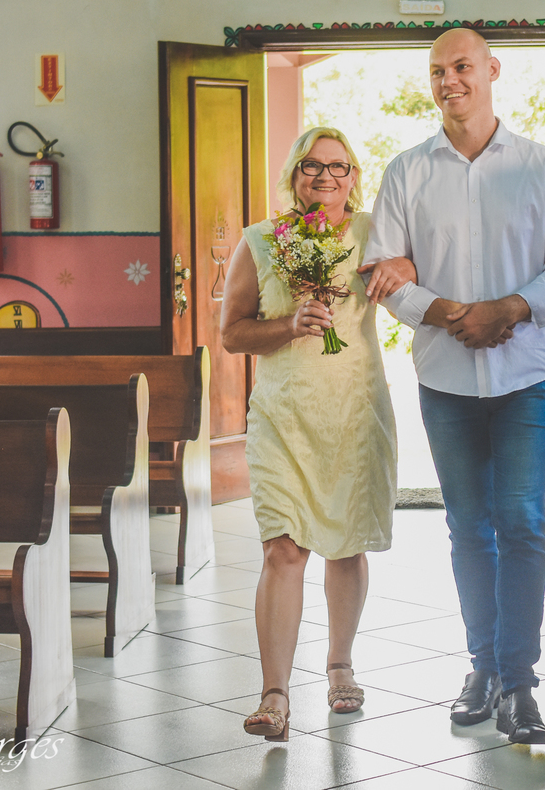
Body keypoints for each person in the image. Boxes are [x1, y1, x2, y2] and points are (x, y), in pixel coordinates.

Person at [359, 28, 545, 744]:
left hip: (527, 377)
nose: (448, 81)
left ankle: (520, 683)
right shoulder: (407, 171)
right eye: (437, 71)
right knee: (467, 526)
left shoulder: (540, 166)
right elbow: (382, 274)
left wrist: (509, 308)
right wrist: (452, 314)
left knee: (521, 521)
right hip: (447, 378)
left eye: (461, 67)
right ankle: (482, 669)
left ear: (492, 70)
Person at [221, 127, 407, 742]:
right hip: (283, 414)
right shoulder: (261, 240)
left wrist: (404, 264)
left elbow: (417, 270)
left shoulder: (375, 233)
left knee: (346, 545)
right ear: (294, 175)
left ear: (354, 177)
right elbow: (232, 333)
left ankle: (340, 665)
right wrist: (287, 324)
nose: (325, 177)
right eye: (312, 166)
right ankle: (274, 694)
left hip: (355, 408)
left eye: (338, 166)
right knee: (283, 548)